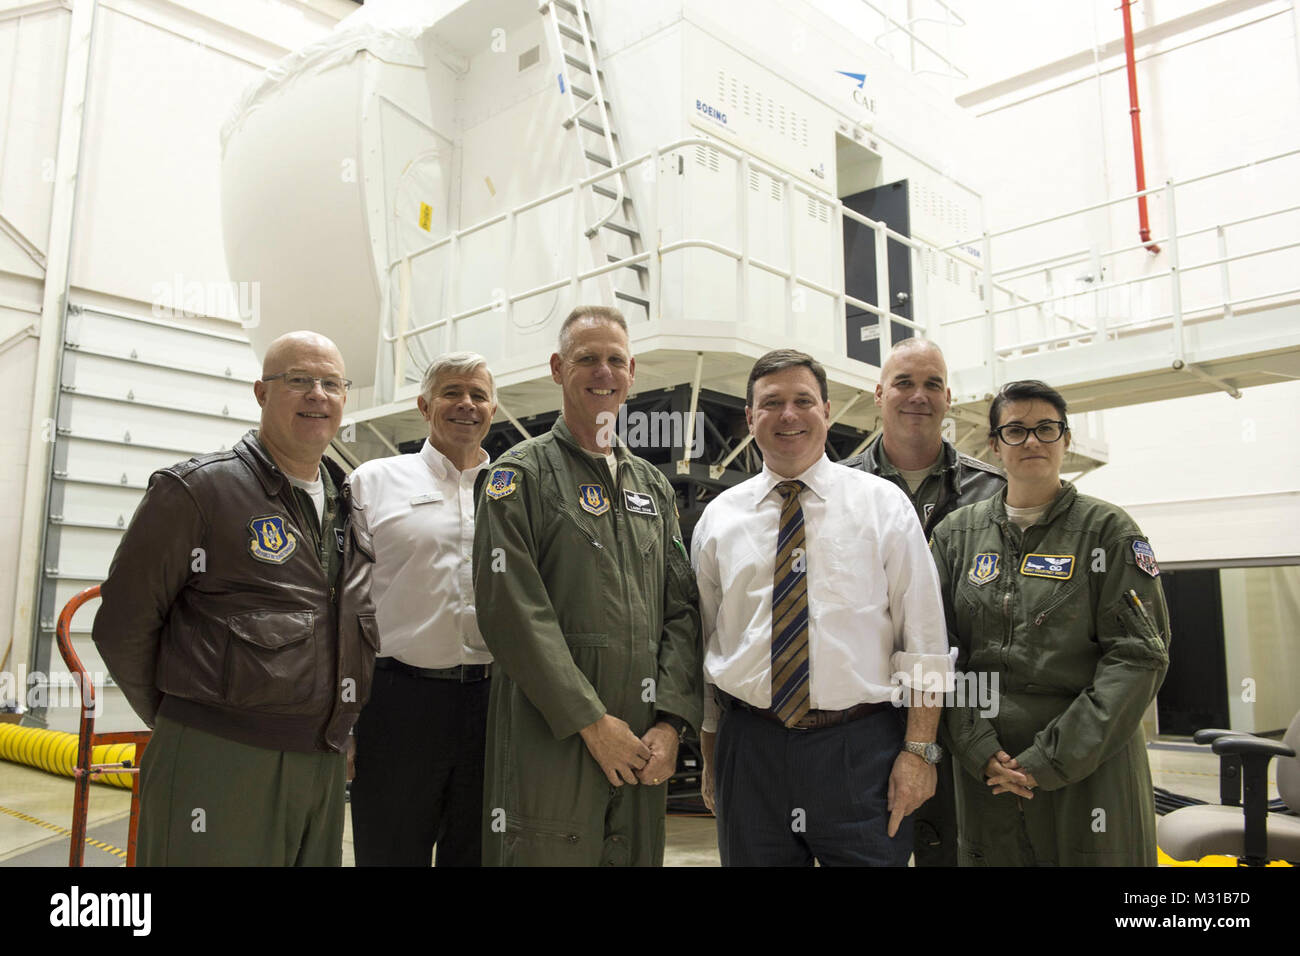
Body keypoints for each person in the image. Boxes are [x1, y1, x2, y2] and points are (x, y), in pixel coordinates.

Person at [92, 331, 378, 866]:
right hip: (218, 760)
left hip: (321, 763)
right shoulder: (197, 492)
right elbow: (122, 625)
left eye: (331, 383)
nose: (318, 394)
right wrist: (186, 726)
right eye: (298, 380)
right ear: (261, 393)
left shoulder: (347, 507)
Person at [693, 348, 950, 866]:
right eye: (771, 403)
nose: (788, 415)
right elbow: (708, 643)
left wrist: (919, 751)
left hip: (859, 750)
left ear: (827, 411)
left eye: (803, 401)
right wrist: (710, 754)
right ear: (750, 417)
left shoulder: (882, 506)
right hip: (750, 748)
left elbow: (923, 640)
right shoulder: (719, 518)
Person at [471, 305, 702, 866]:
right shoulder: (518, 476)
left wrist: (671, 723)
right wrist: (591, 723)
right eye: (587, 359)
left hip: (643, 741)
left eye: (616, 360)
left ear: (631, 374)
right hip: (551, 735)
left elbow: (682, 612)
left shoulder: (653, 487)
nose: (604, 372)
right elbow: (512, 611)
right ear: (557, 368)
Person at [928, 379, 1171, 866]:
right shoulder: (956, 536)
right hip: (986, 770)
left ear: (1066, 439)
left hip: (1089, 769)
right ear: (994, 444)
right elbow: (937, 651)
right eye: (1015, 430)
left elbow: (1137, 656)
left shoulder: (1108, 531)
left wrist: (1052, 758)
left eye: (1046, 428)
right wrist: (975, 745)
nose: (1032, 441)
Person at [839, 336, 1005, 866]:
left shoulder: (993, 492)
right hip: (866, 720)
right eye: (904, 383)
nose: (918, 395)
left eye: (932, 384)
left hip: (968, 719)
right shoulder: (837, 491)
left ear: (948, 397)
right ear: (879, 393)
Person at [346, 352, 497, 866]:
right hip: (396, 703)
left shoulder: (514, 489)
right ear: (424, 405)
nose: (466, 404)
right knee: (389, 850)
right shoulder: (373, 481)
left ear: (493, 409)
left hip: (492, 706)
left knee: (477, 853)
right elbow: (343, 603)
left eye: (478, 394)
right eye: (452, 392)